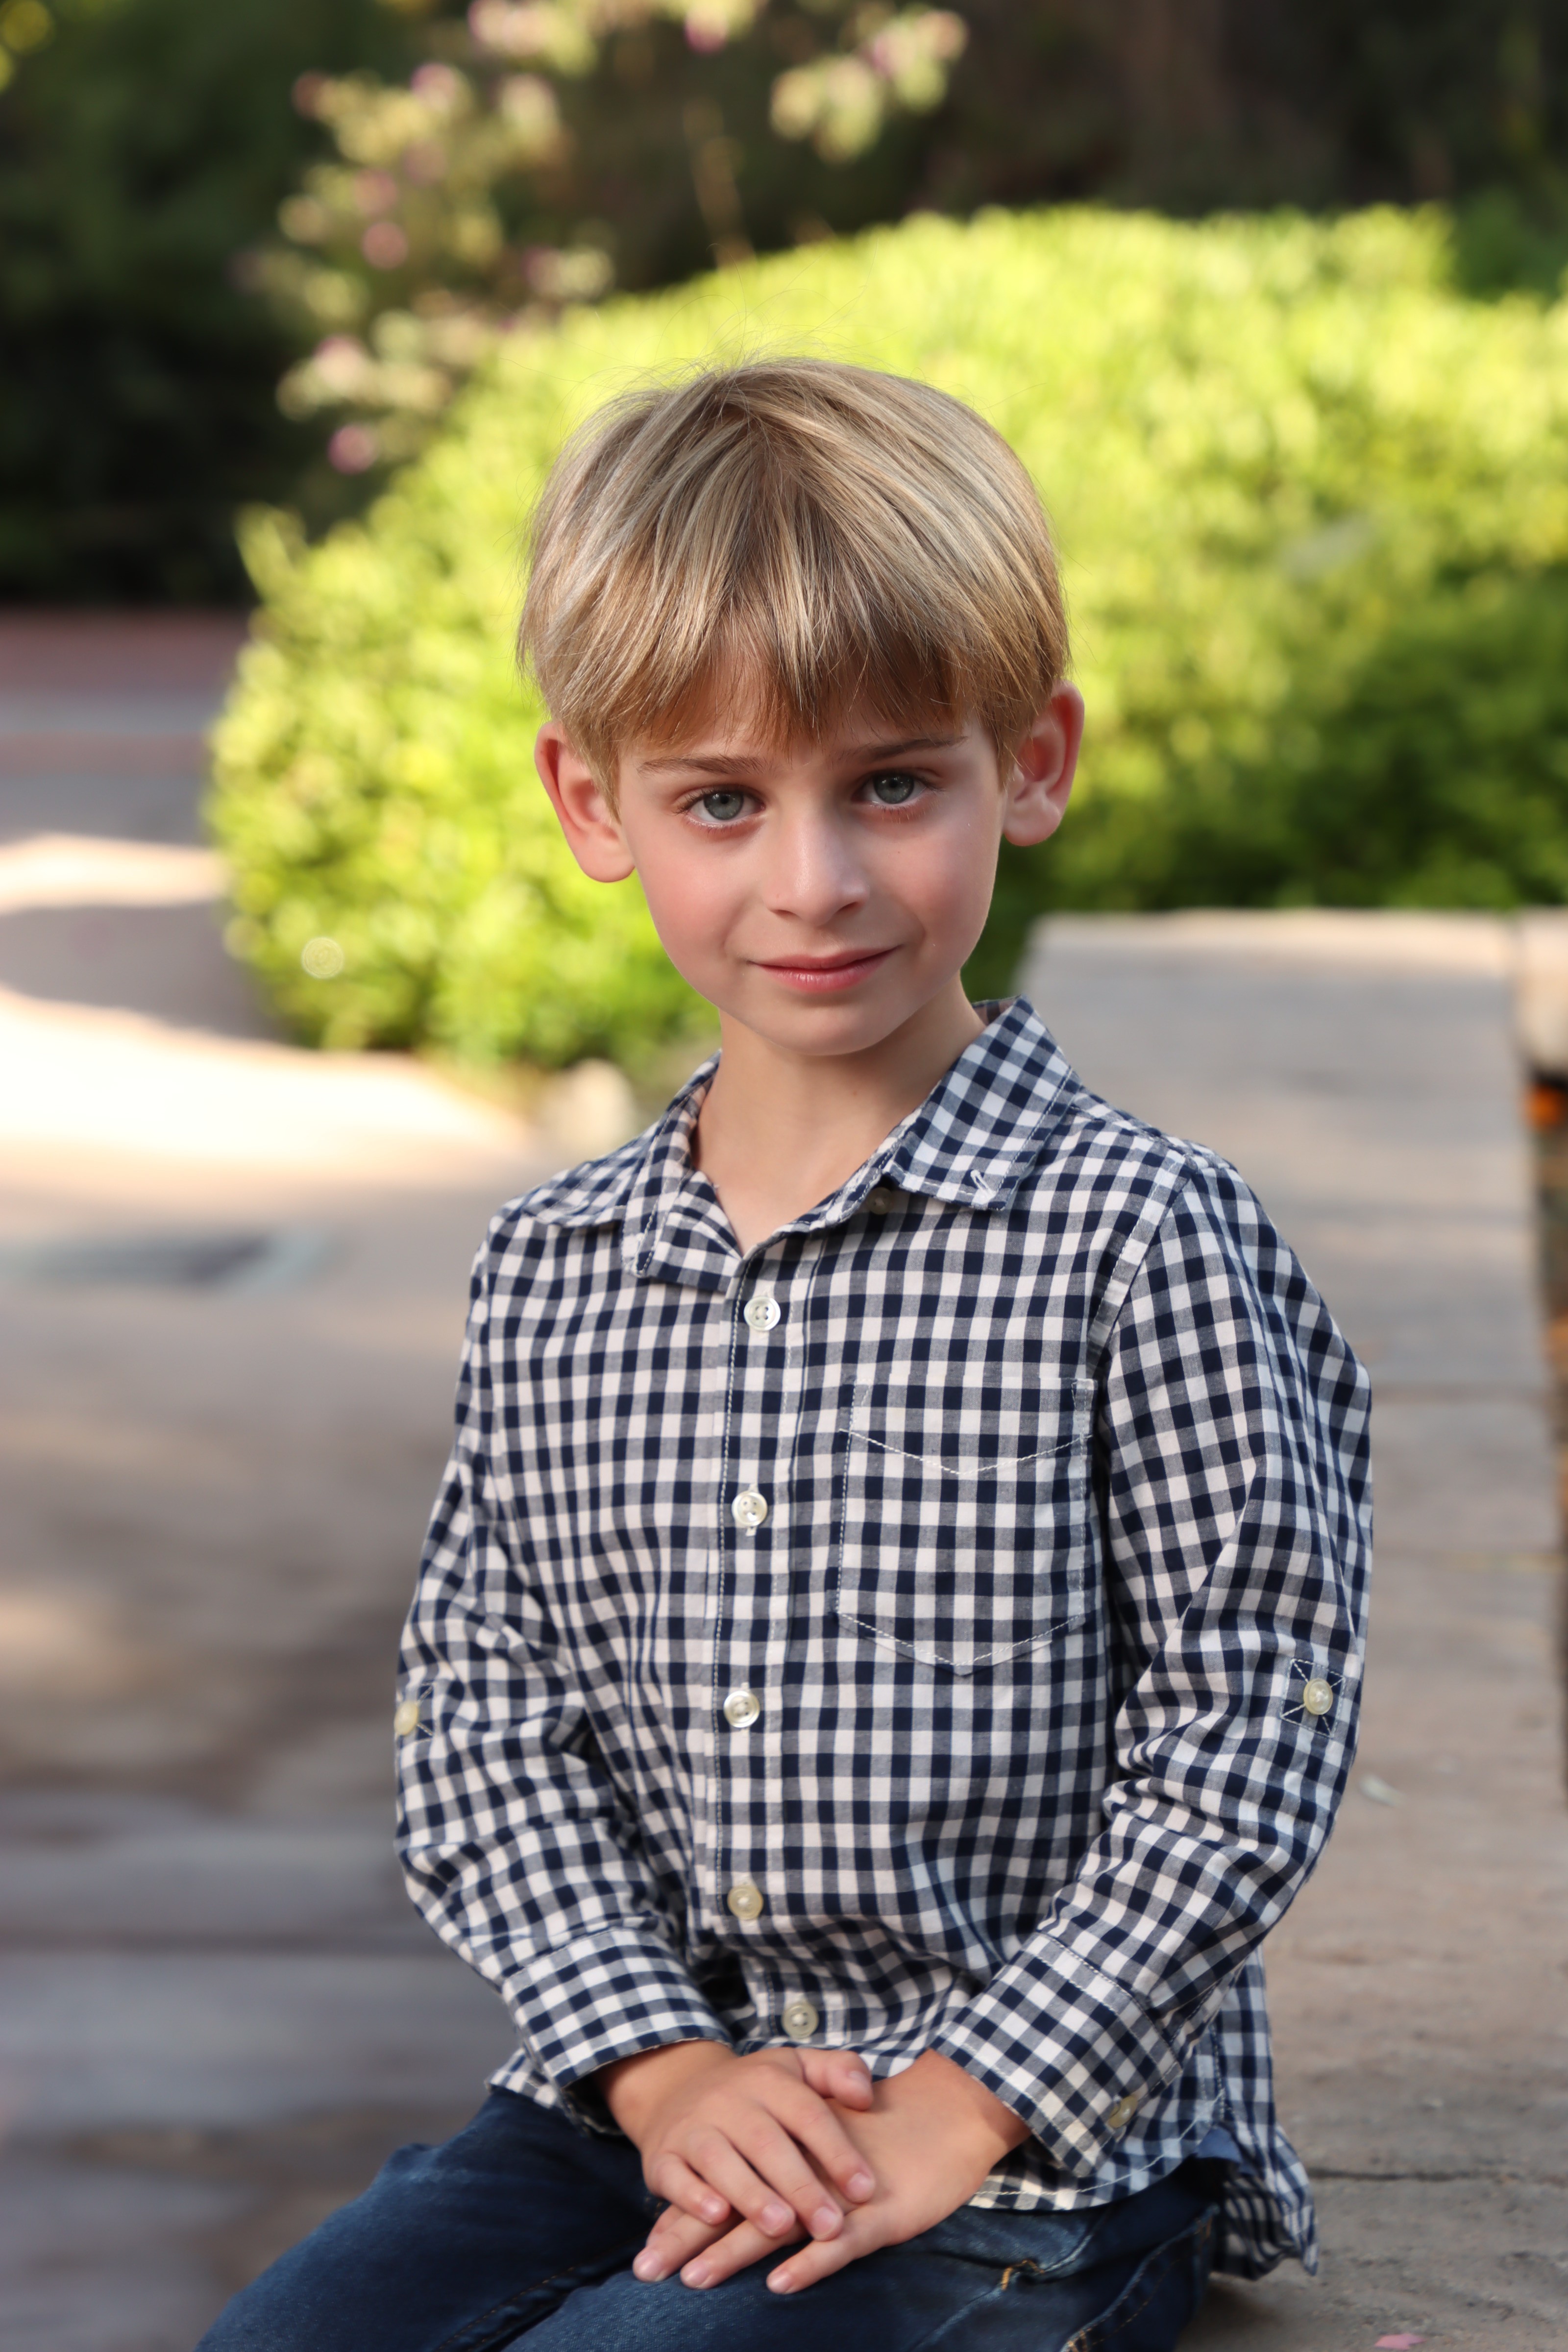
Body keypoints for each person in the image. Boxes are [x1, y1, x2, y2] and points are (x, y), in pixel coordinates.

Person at [197, 361, 1370, 2352]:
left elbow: (1249, 1729)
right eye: (722, 802)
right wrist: (660, 2073)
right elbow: (485, 1726)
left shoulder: (1138, 1240)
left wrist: (963, 2103)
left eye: (891, 785)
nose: (811, 882)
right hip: (650, 2100)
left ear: (1031, 764)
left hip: (1030, 2156)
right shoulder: (556, 1271)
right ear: (596, 804)